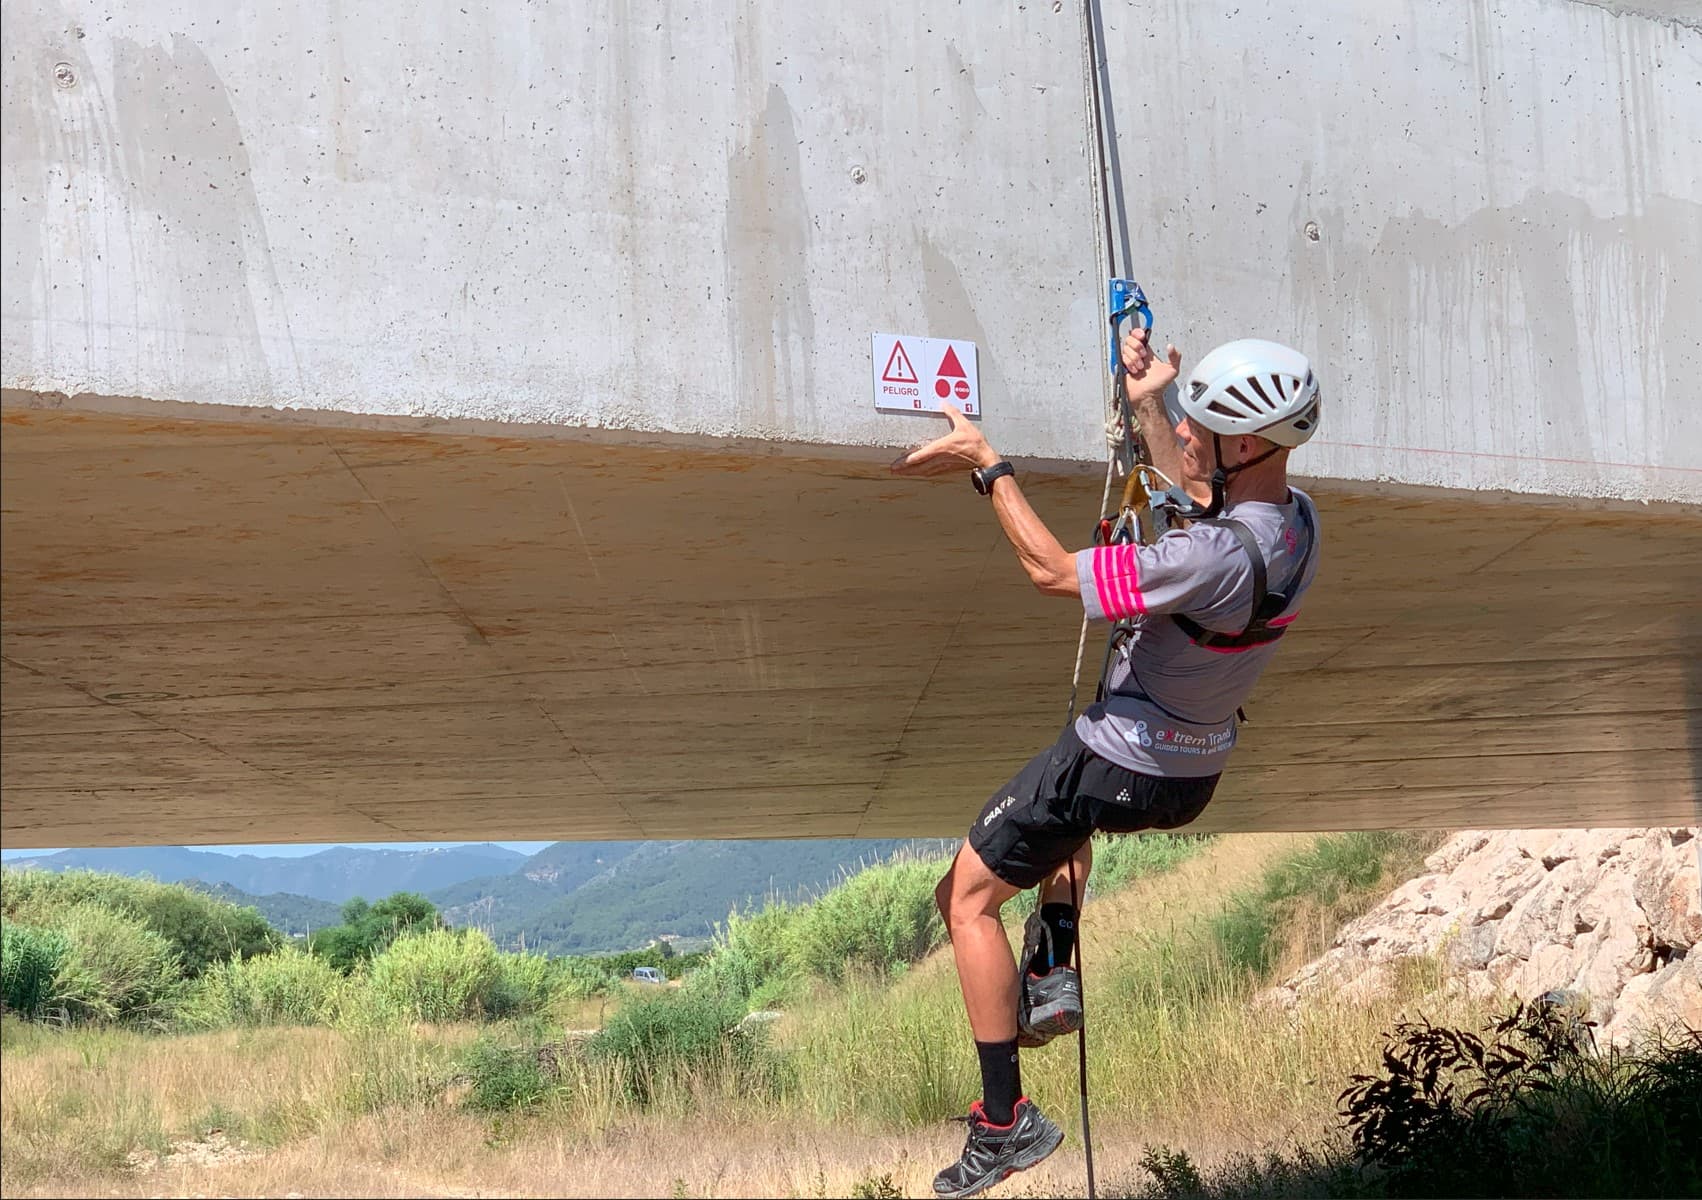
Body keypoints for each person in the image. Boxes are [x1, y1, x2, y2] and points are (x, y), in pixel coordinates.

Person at [891, 328, 1323, 1198]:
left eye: (1201, 424)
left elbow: (1054, 573)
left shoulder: (1206, 559)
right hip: (1190, 775)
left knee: (965, 900)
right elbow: (1201, 493)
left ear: (1247, 444)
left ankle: (1003, 1124)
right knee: (1061, 819)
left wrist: (988, 462)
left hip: (1116, 758)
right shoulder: (1296, 523)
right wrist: (1150, 402)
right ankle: (1051, 968)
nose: (1189, 436)